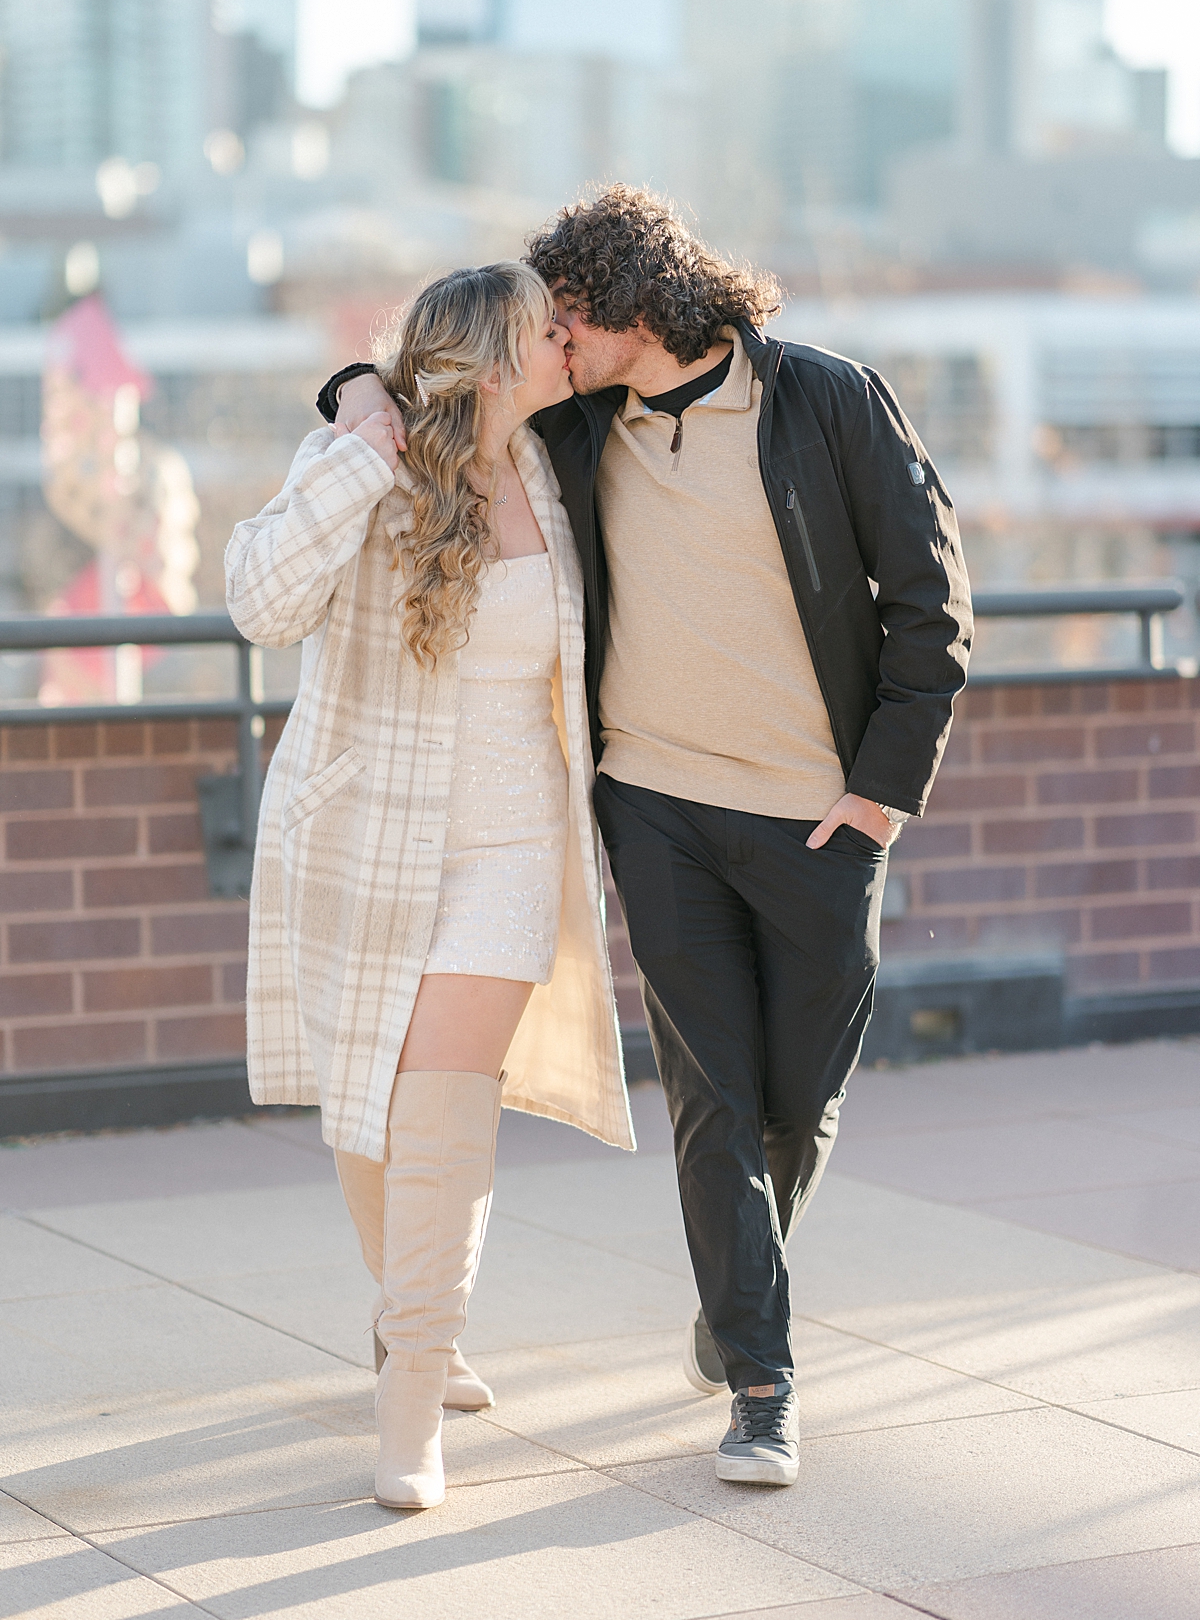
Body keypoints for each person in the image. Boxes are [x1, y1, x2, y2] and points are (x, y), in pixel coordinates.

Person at [322, 186, 973, 1489]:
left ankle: (744, 1280)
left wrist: (882, 790)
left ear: (633, 310)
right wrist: (351, 385)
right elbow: (440, 377)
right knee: (711, 1101)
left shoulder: (828, 401)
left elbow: (930, 599)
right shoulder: (574, 422)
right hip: (654, 803)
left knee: (801, 1099)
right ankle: (762, 1380)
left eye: (567, 325)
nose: (549, 350)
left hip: (818, 815)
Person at [226, 262, 634, 1513]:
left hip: (514, 843)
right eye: (546, 331)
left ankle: (409, 1395)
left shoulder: (556, 463)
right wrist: (354, 437)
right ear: (490, 358)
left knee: (443, 1100)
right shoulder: (365, 459)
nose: (569, 345)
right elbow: (258, 601)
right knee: (376, 1112)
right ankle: (426, 1328)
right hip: (365, 829)